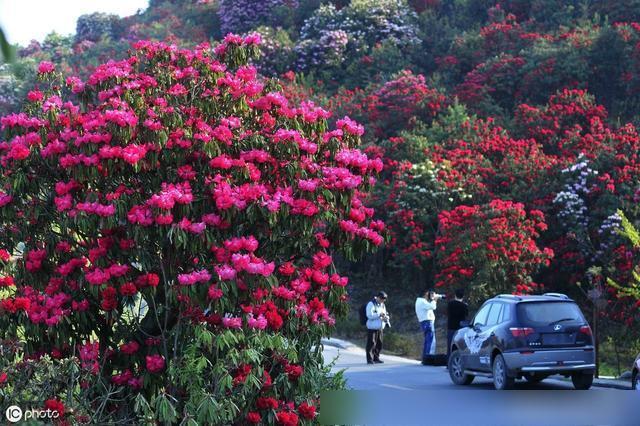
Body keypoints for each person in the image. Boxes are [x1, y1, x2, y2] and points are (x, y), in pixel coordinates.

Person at [415, 289, 444, 362]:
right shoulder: (422, 302)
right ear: (425, 294)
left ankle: (425, 358)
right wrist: (435, 299)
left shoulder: (419, 301)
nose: (429, 296)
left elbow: (429, 307)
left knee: (427, 341)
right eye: (428, 294)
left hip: (424, 323)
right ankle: (429, 358)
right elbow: (433, 307)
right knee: (431, 341)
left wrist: (433, 299)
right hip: (428, 322)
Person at [365, 291, 390, 364]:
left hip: (380, 327)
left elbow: (385, 313)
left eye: (385, 299)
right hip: (372, 327)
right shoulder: (371, 304)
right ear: (378, 297)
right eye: (382, 298)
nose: (383, 300)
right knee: (371, 343)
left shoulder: (382, 305)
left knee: (379, 343)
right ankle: (369, 359)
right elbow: (369, 315)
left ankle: (376, 358)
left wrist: (386, 317)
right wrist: (379, 314)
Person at [446, 289, 469, 362]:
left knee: (450, 345)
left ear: (455, 295)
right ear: (463, 296)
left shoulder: (450, 304)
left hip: (451, 327)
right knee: (459, 346)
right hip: (460, 328)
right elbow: (466, 315)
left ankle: (449, 362)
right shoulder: (464, 306)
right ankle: (458, 361)